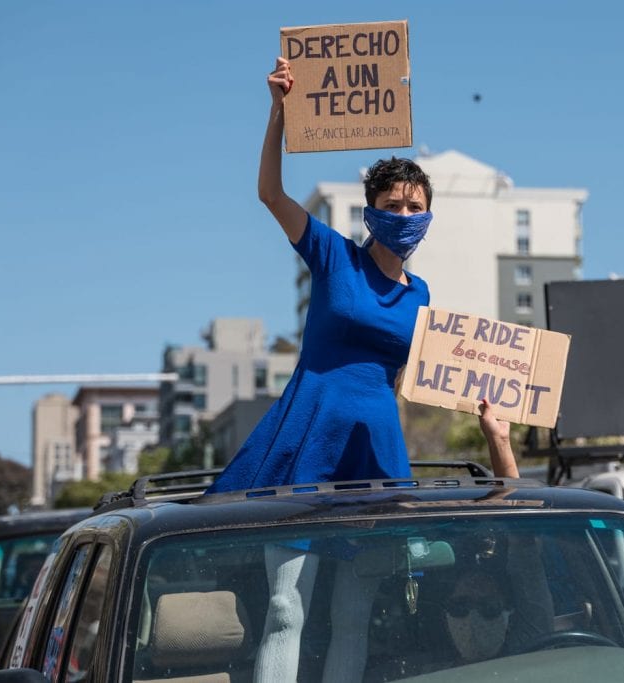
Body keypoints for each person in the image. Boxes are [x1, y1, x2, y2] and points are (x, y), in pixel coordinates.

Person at [204, 55, 434, 683]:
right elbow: (269, 194)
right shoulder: (334, 256)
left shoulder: (422, 295)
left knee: (354, 614)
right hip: (308, 438)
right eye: (396, 202)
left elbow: (423, 377)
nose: (408, 214)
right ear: (371, 210)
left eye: (418, 205)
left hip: (375, 452)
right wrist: (279, 109)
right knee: (286, 609)